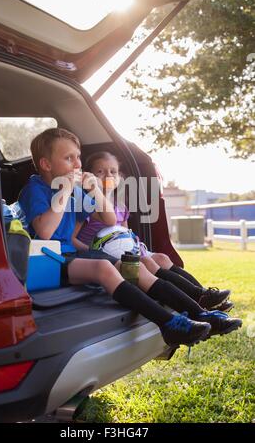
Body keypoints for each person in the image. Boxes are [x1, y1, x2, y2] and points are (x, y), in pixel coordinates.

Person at [19, 128, 242, 349]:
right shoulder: (35, 189)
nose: (77, 164)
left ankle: (201, 313)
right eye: (69, 158)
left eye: (78, 157)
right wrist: (64, 191)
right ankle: (168, 324)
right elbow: (45, 231)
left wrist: (95, 190)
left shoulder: (76, 192)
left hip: (71, 255)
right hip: (48, 259)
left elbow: (108, 218)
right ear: (46, 165)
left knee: (134, 268)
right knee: (104, 269)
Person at [74, 151, 234, 312]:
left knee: (163, 258)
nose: (108, 175)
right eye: (100, 172)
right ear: (89, 177)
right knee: (148, 262)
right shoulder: (89, 203)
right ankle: (197, 299)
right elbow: (72, 238)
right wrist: (93, 252)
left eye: (113, 171)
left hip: (125, 250)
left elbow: (125, 232)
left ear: (120, 176)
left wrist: (137, 247)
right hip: (100, 254)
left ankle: (203, 295)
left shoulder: (120, 204)